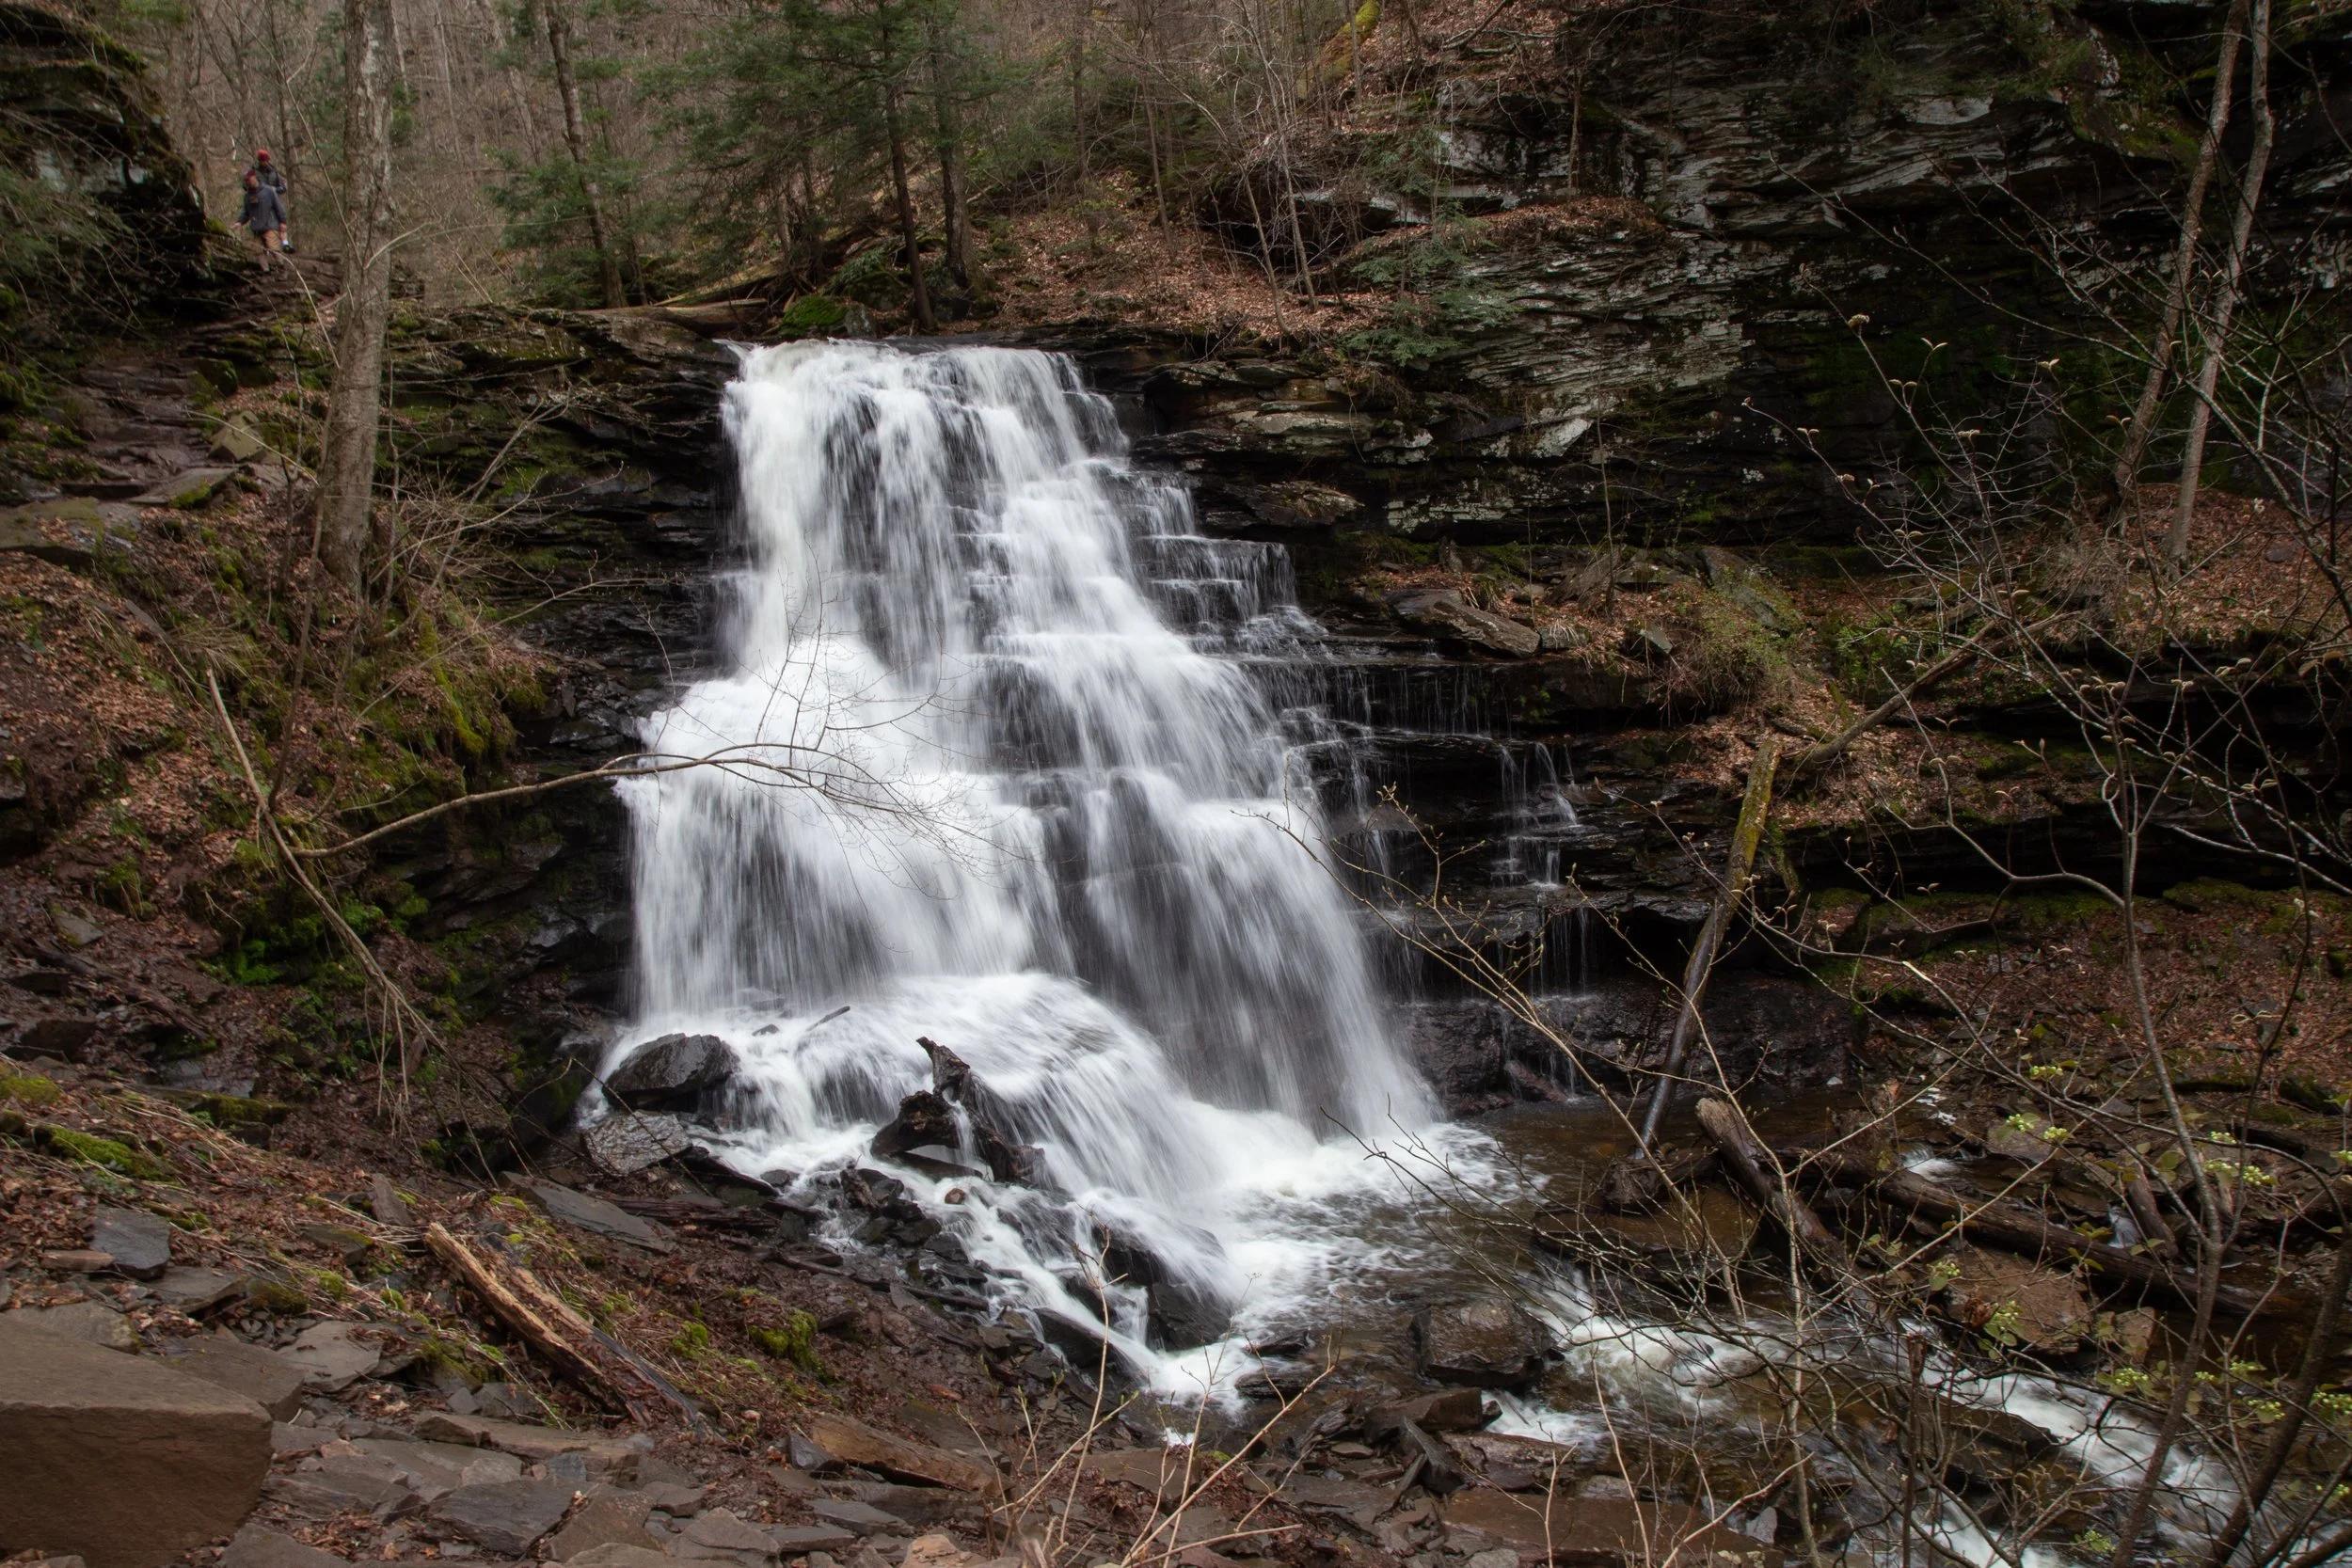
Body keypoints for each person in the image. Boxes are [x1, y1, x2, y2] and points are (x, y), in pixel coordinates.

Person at [239, 169, 286, 271]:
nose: (248, 182)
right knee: (258, 251)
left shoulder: (268, 191)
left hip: (270, 225)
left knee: (274, 249)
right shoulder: (247, 196)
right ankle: (266, 272)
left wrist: (282, 222)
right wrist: (239, 222)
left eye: (249, 179)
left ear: (255, 177)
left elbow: (278, 207)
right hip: (256, 228)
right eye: (246, 180)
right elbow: (246, 213)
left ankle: (282, 269)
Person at [247, 149, 291, 253]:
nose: (265, 163)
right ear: (259, 160)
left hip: (274, 200)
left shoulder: (273, 172)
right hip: (260, 202)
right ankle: (264, 249)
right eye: (262, 161)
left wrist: (274, 190)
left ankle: (285, 244)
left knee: (280, 220)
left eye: (266, 160)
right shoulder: (253, 171)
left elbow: (283, 188)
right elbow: (246, 185)